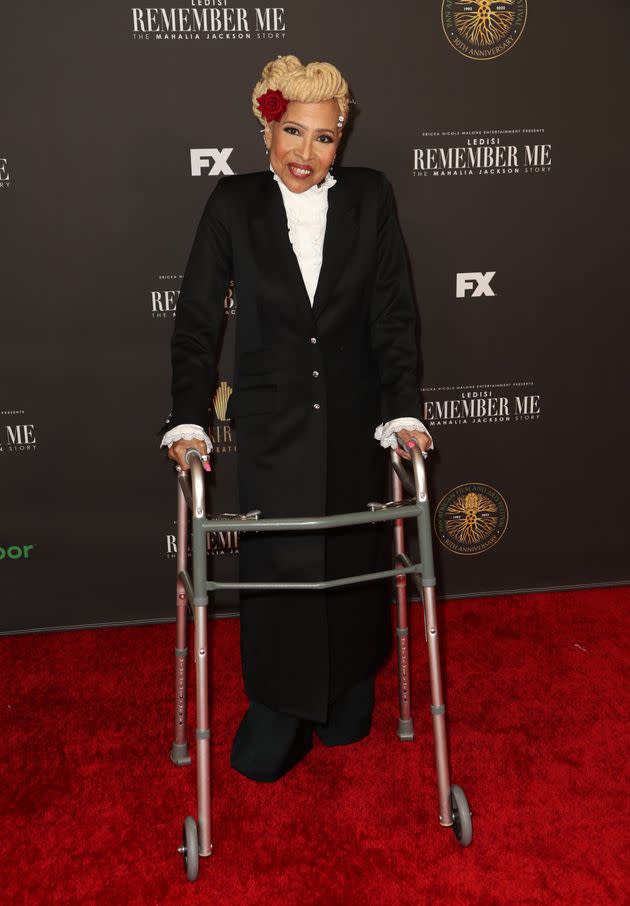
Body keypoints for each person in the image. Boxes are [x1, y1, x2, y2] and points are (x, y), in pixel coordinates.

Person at [160, 54, 434, 782]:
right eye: (291, 132)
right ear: (266, 128)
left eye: (323, 138)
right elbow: (194, 323)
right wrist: (187, 418)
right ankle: (280, 710)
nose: (304, 153)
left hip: (353, 415)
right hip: (274, 421)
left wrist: (401, 408)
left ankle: (347, 700)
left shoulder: (371, 198)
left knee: (352, 562)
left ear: (340, 141)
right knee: (281, 568)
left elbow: (393, 314)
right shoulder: (232, 203)